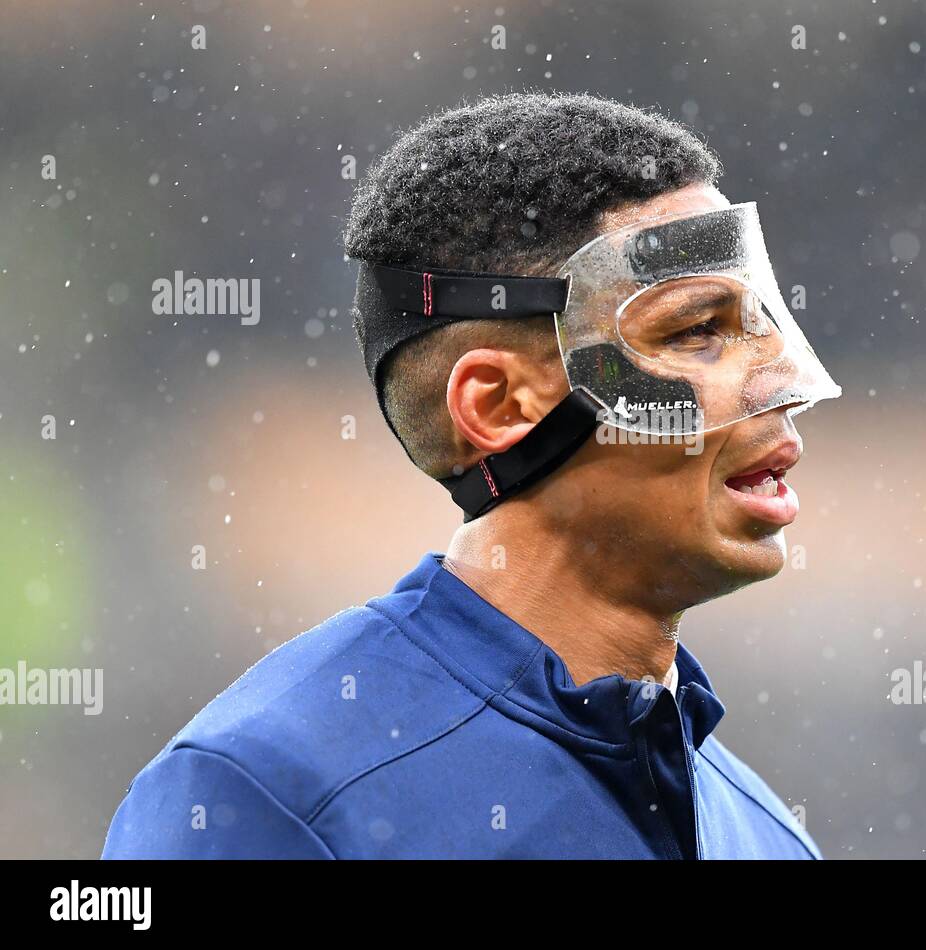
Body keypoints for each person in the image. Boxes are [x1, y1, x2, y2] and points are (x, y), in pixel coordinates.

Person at [102, 91, 840, 859]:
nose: (778, 383)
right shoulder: (268, 793)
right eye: (695, 331)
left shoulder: (768, 834)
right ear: (498, 404)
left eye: (764, 325)